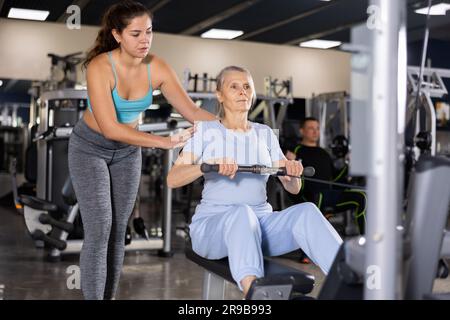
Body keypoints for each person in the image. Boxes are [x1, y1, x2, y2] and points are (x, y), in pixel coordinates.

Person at [68, 0, 216, 300]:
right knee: (100, 228)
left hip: (127, 152)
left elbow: (192, 111)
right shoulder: (100, 66)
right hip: (89, 148)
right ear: (117, 35)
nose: (144, 40)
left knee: (119, 230)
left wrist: (241, 129)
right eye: (135, 34)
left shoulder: (157, 66)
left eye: (149, 31)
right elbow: (109, 127)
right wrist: (165, 142)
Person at [167, 66, 342, 298]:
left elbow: (293, 187)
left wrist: (291, 173)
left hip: (261, 227)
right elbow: (172, 179)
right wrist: (205, 165)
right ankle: (256, 293)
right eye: (234, 86)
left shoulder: (265, 133)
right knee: (242, 213)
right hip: (213, 228)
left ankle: (351, 281)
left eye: (247, 86)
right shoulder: (205, 132)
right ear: (220, 94)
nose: (242, 92)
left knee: (308, 212)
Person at [285, 117, 366, 235]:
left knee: (361, 197)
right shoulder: (296, 151)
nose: (315, 131)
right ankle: (309, 244)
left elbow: (335, 179)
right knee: (319, 195)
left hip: (328, 196)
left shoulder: (324, 153)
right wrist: (289, 159)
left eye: (317, 128)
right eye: (311, 128)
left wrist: (347, 166)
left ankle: (366, 242)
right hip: (308, 197)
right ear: (302, 131)